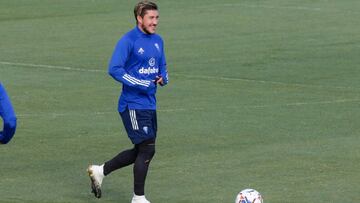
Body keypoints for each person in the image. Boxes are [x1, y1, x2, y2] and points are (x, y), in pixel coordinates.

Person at [87, 1, 168, 203]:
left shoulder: (158, 40)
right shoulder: (128, 40)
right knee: (148, 148)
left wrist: (163, 77)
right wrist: (140, 83)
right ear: (139, 18)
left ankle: (100, 171)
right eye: (151, 18)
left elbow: (162, 66)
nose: (155, 22)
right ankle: (138, 198)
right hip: (132, 104)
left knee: (142, 149)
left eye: (157, 18)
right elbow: (114, 69)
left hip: (150, 104)